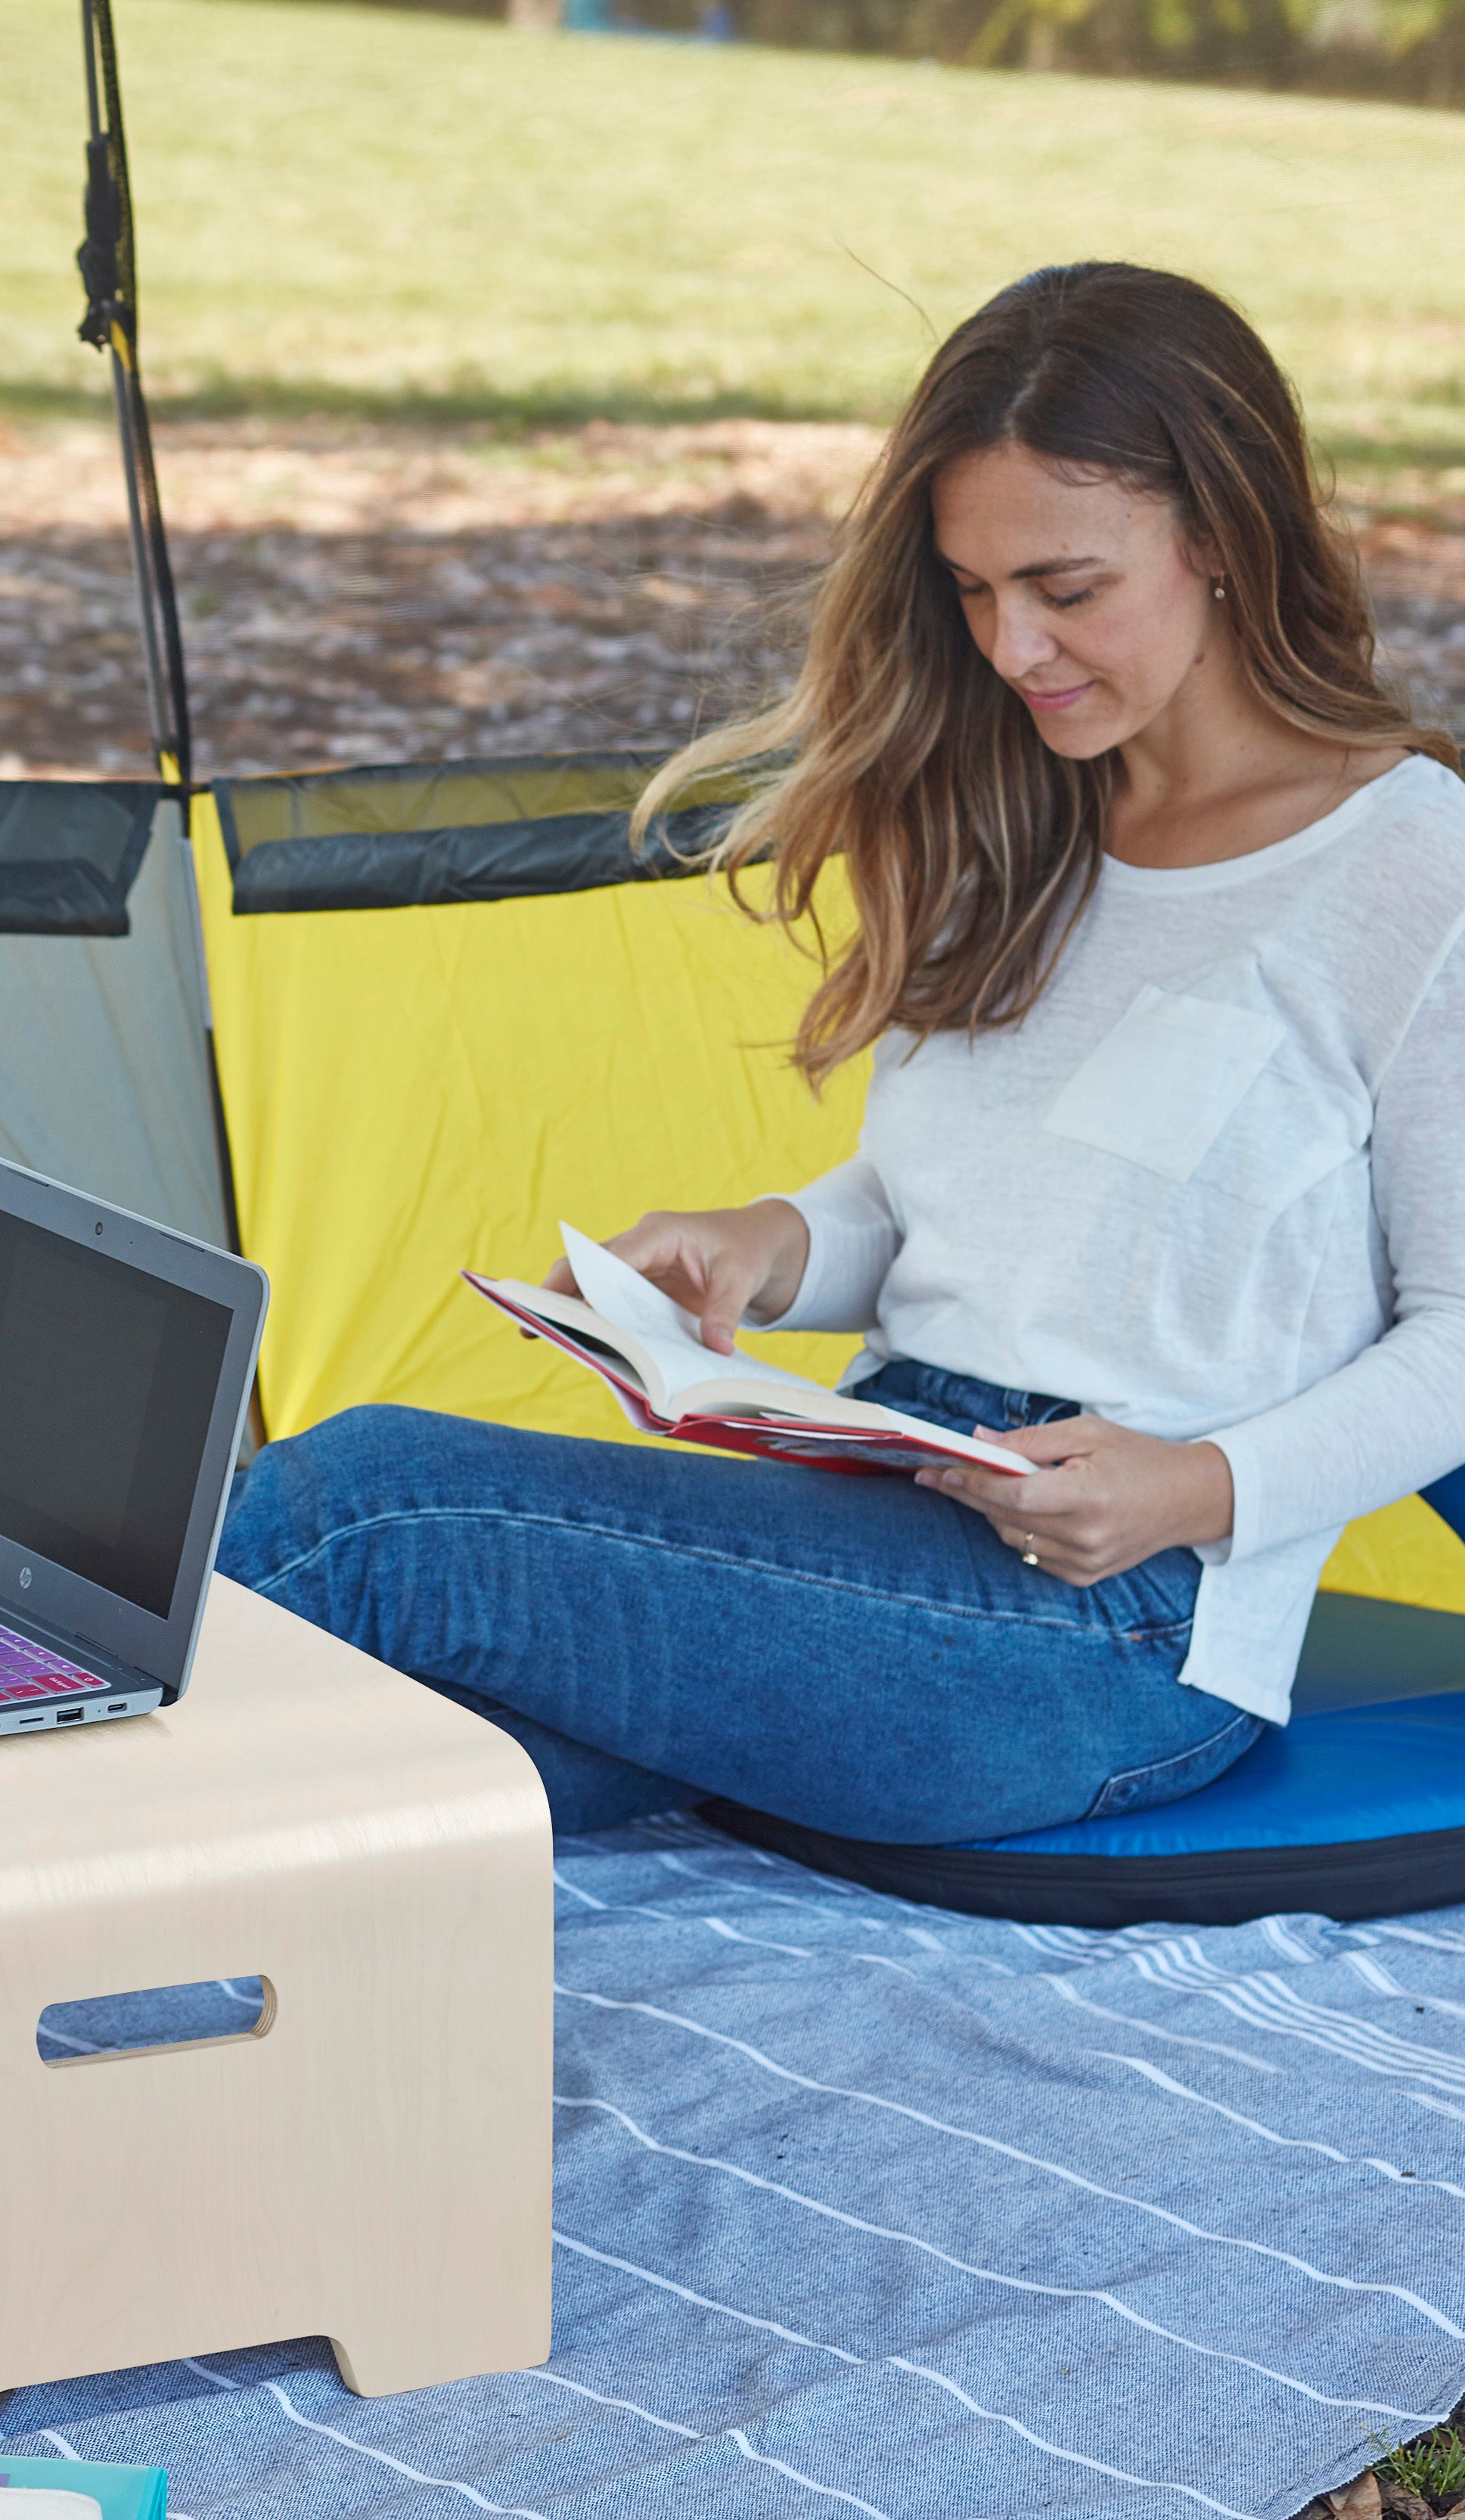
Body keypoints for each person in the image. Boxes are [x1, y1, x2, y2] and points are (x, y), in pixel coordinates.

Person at [218, 263, 1465, 1844]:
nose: (1011, 645)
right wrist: (776, 1243)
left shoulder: (1408, 866)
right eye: (968, 588)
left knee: (368, 1511)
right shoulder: (1029, 811)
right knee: (387, 1750)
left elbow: (1457, 1333)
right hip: (879, 1509)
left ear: (1218, 537)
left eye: (1064, 587)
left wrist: (1187, 1485)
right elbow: (978, 1197)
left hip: (1113, 1626)